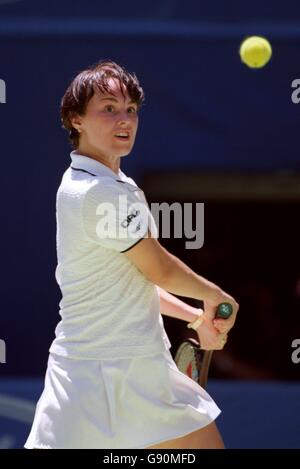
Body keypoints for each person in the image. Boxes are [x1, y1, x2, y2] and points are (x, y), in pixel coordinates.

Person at [24, 60, 239, 449]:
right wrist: (213, 296)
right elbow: (157, 267)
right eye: (108, 108)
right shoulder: (96, 192)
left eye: (131, 110)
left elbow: (133, 281)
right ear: (76, 121)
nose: (124, 119)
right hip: (92, 377)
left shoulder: (114, 183)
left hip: (127, 371)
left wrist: (194, 315)